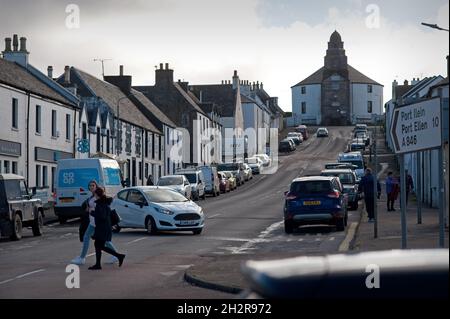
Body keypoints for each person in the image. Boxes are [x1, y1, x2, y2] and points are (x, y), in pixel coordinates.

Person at [71, 181, 119, 265]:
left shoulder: (98, 197)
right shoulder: (92, 197)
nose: (91, 187)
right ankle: (116, 255)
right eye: (90, 186)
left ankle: (82, 258)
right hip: (93, 221)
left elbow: (102, 208)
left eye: (93, 185)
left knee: (90, 238)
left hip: (97, 222)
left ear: (96, 186)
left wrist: (91, 211)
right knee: (100, 240)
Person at [89, 187, 126, 270]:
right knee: (98, 245)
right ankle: (99, 264)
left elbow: (102, 216)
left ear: (97, 195)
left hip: (103, 228)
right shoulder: (104, 202)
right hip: (104, 227)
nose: (94, 195)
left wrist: (92, 213)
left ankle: (119, 256)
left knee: (99, 245)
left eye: (95, 194)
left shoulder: (100, 204)